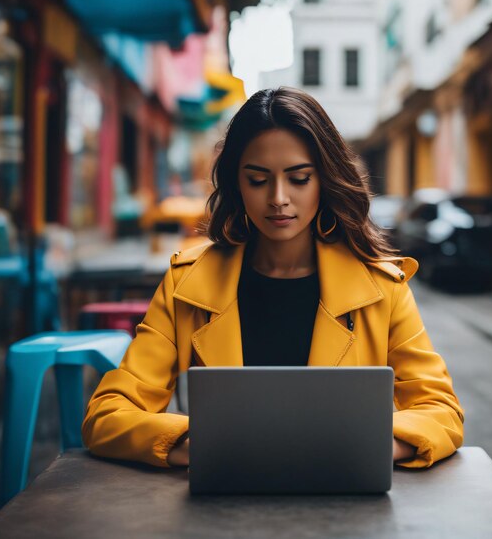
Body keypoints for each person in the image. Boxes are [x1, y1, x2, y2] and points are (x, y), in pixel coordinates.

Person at [82, 87, 464, 469]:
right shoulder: (187, 284)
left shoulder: (382, 288)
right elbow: (107, 416)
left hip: (345, 506)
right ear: (236, 183)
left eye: (298, 179)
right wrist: (195, 446)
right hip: (221, 508)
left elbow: (441, 411)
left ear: (325, 180)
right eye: (258, 179)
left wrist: (370, 447)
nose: (278, 198)